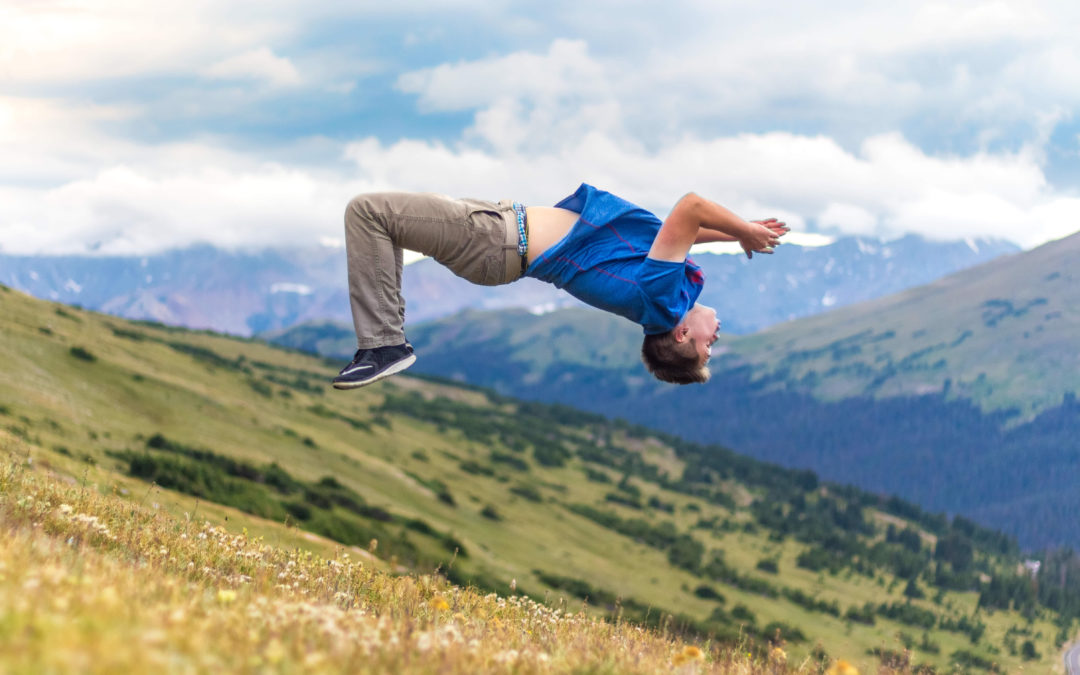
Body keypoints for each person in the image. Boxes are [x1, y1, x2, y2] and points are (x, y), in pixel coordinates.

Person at [334, 183, 787, 389]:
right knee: (381, 222)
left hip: (498, 240)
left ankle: (384, 344)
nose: (717, 340)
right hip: (500, 231)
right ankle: (384, 341)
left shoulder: (660, 300)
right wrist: (739, 230)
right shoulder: (663, 293)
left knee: (368, 212)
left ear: (683, 335)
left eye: (709, 350)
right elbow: (677, 230)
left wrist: (742, 231)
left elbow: (690, 207)